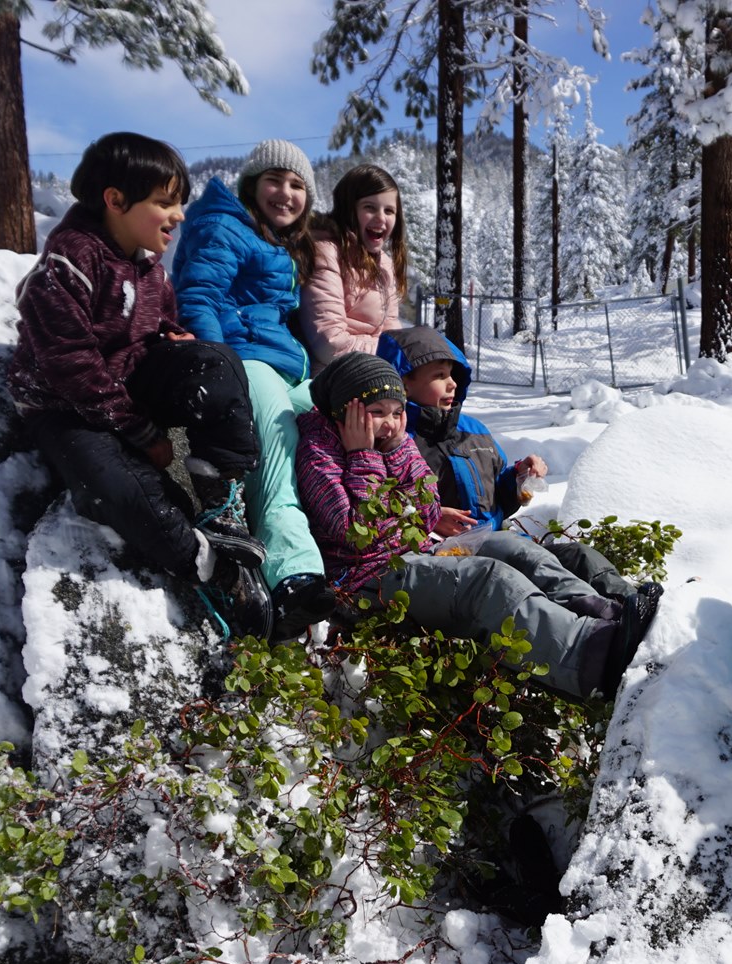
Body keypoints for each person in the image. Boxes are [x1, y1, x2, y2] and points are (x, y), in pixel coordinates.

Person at [6, 130, 270, 638]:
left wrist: (177, 340)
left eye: (179, 204)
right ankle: (200, 560)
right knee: (118, 488)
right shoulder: (69, 264)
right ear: (116, 200)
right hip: (64, 406)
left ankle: (221, 500)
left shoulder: (151, 267)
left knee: (217, 361)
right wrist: (143, 433)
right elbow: (71, 365)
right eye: (164, 203)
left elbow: (158, 323)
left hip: (127, 382)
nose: (178, 216)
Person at [294, 353, 658, 702]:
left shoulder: (390, 441)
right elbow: (359, 534)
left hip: (410, 555)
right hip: (362, 580)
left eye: (397, 412)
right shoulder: (319, 455)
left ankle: (606, 612)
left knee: (511, 548)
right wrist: (364, 456)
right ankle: (590, 657)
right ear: (344, 414)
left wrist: (393, 452)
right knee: (485, 580)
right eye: (376, 413)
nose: (390, 424)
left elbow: (425, 510)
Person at [167, 139, 334, 639]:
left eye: (297, 184)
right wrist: (220, 371)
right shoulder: (224, 226)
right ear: (251, 185)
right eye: (274, 181)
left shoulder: (275, 242)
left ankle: (355, 545)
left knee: (342, 416)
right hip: (247, 365)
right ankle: (294, 579)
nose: (286, 193)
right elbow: (198, 296)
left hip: (284, 367)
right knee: (280, 448)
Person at [378, 325, 548, 537]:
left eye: (451, 374)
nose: (452, 384)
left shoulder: (474, 430)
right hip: (444, 555)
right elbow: (381, 509)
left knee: (579, 557)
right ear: (403, 384)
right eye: (440, 375)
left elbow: (497, 499)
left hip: (495, 539)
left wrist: (520, 474)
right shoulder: (393, 442)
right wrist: (428, 518)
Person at [303, 164, 406, 366]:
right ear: (348, 209)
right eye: (369, 207)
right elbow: (330, 343)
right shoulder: (327, 254)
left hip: (375, 366)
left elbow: (390, 328)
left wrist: (408, 351)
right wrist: (390, 354)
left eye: (389, 210)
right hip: (335, 372)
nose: (381, 218)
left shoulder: (384, 264)